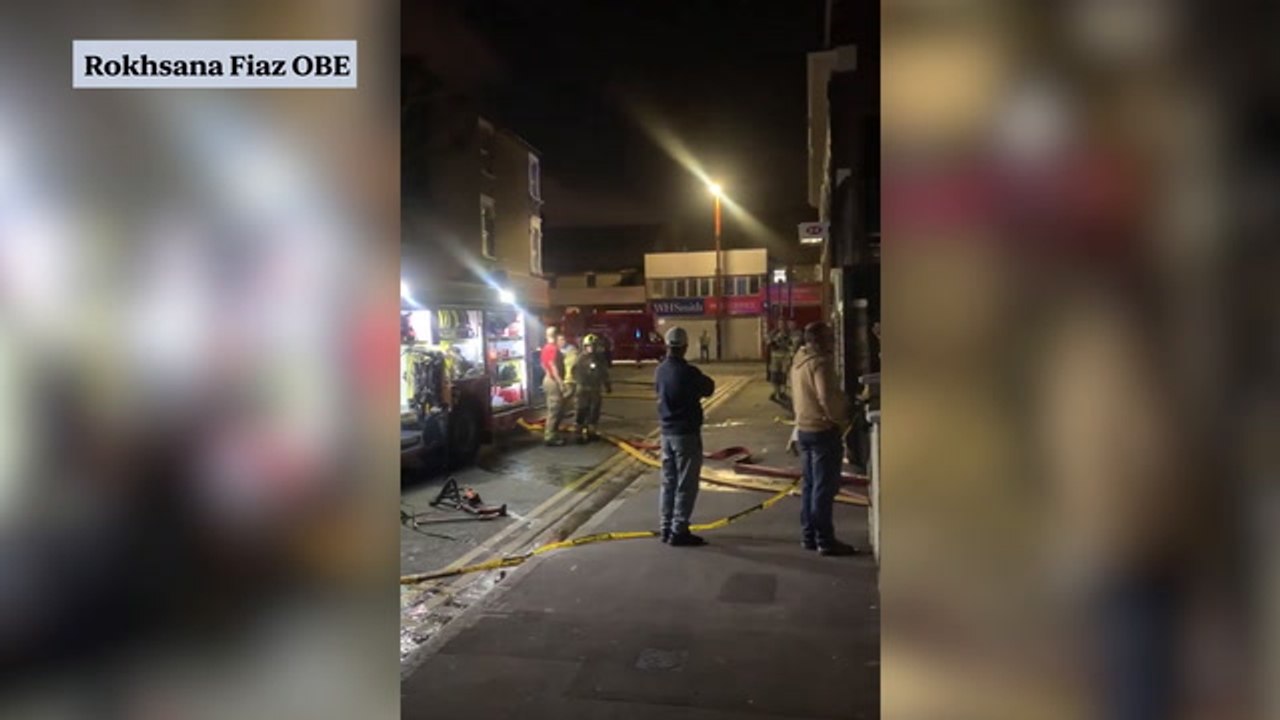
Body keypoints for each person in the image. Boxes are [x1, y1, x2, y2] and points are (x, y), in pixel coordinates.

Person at [789, 321, 857, 556]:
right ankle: (825, 540)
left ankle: (809, 535)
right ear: (818, 340)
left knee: (809, 486)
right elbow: (827, 399)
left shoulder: (798, 362)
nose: (834, 341)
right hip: (822, 431)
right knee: (824, 489)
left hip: (805, 431)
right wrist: (844, 416)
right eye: (830, 337)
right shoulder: (820, 364)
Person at [654, 326, 716, 546]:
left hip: (666, 433)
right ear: (685, 346)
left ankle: (665, 526)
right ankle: (679, 529)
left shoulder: (660, 370)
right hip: (686, 434)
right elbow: (709, 388)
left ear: (667, 345)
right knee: (686, 483)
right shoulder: (689, 373)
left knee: (668, 482)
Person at [572, 333, 612, 443]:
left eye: (593, 346)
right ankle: (578, 434)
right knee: (581, 411)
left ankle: (591, 432)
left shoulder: (600, 358)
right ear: (585, 346)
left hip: (595, 389)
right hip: (583, 389)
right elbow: (574, 372)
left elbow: (604, 373)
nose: (592, 348)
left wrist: (607, 385)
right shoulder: (580, 359)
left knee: (594, 411)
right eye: (589, 346)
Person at [540, 326, 569, 446]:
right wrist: (560, 382)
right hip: (553, 381)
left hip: (548, 379)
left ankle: (553, 434)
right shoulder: (553, 349)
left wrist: (547, 374)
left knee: (554, 408)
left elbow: (543, 363)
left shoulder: (545, 348)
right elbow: (553, 365)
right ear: (556, 336)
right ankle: (550, 436)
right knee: (555, 410)